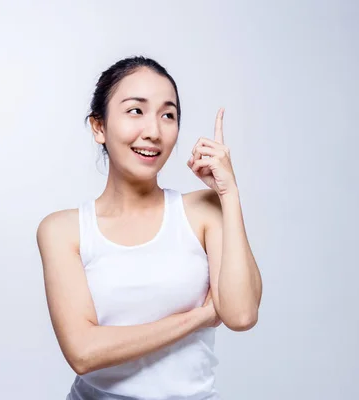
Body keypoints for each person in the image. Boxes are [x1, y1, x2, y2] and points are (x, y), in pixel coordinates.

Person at [36, 56, 263, 400]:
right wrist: (199, 317)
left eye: (167, 115)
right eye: (135, 111)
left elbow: (242, 314)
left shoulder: (202, 210)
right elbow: (83, 353)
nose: (153, 131)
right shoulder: (64, 230)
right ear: (99, 127)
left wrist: (228, 193)